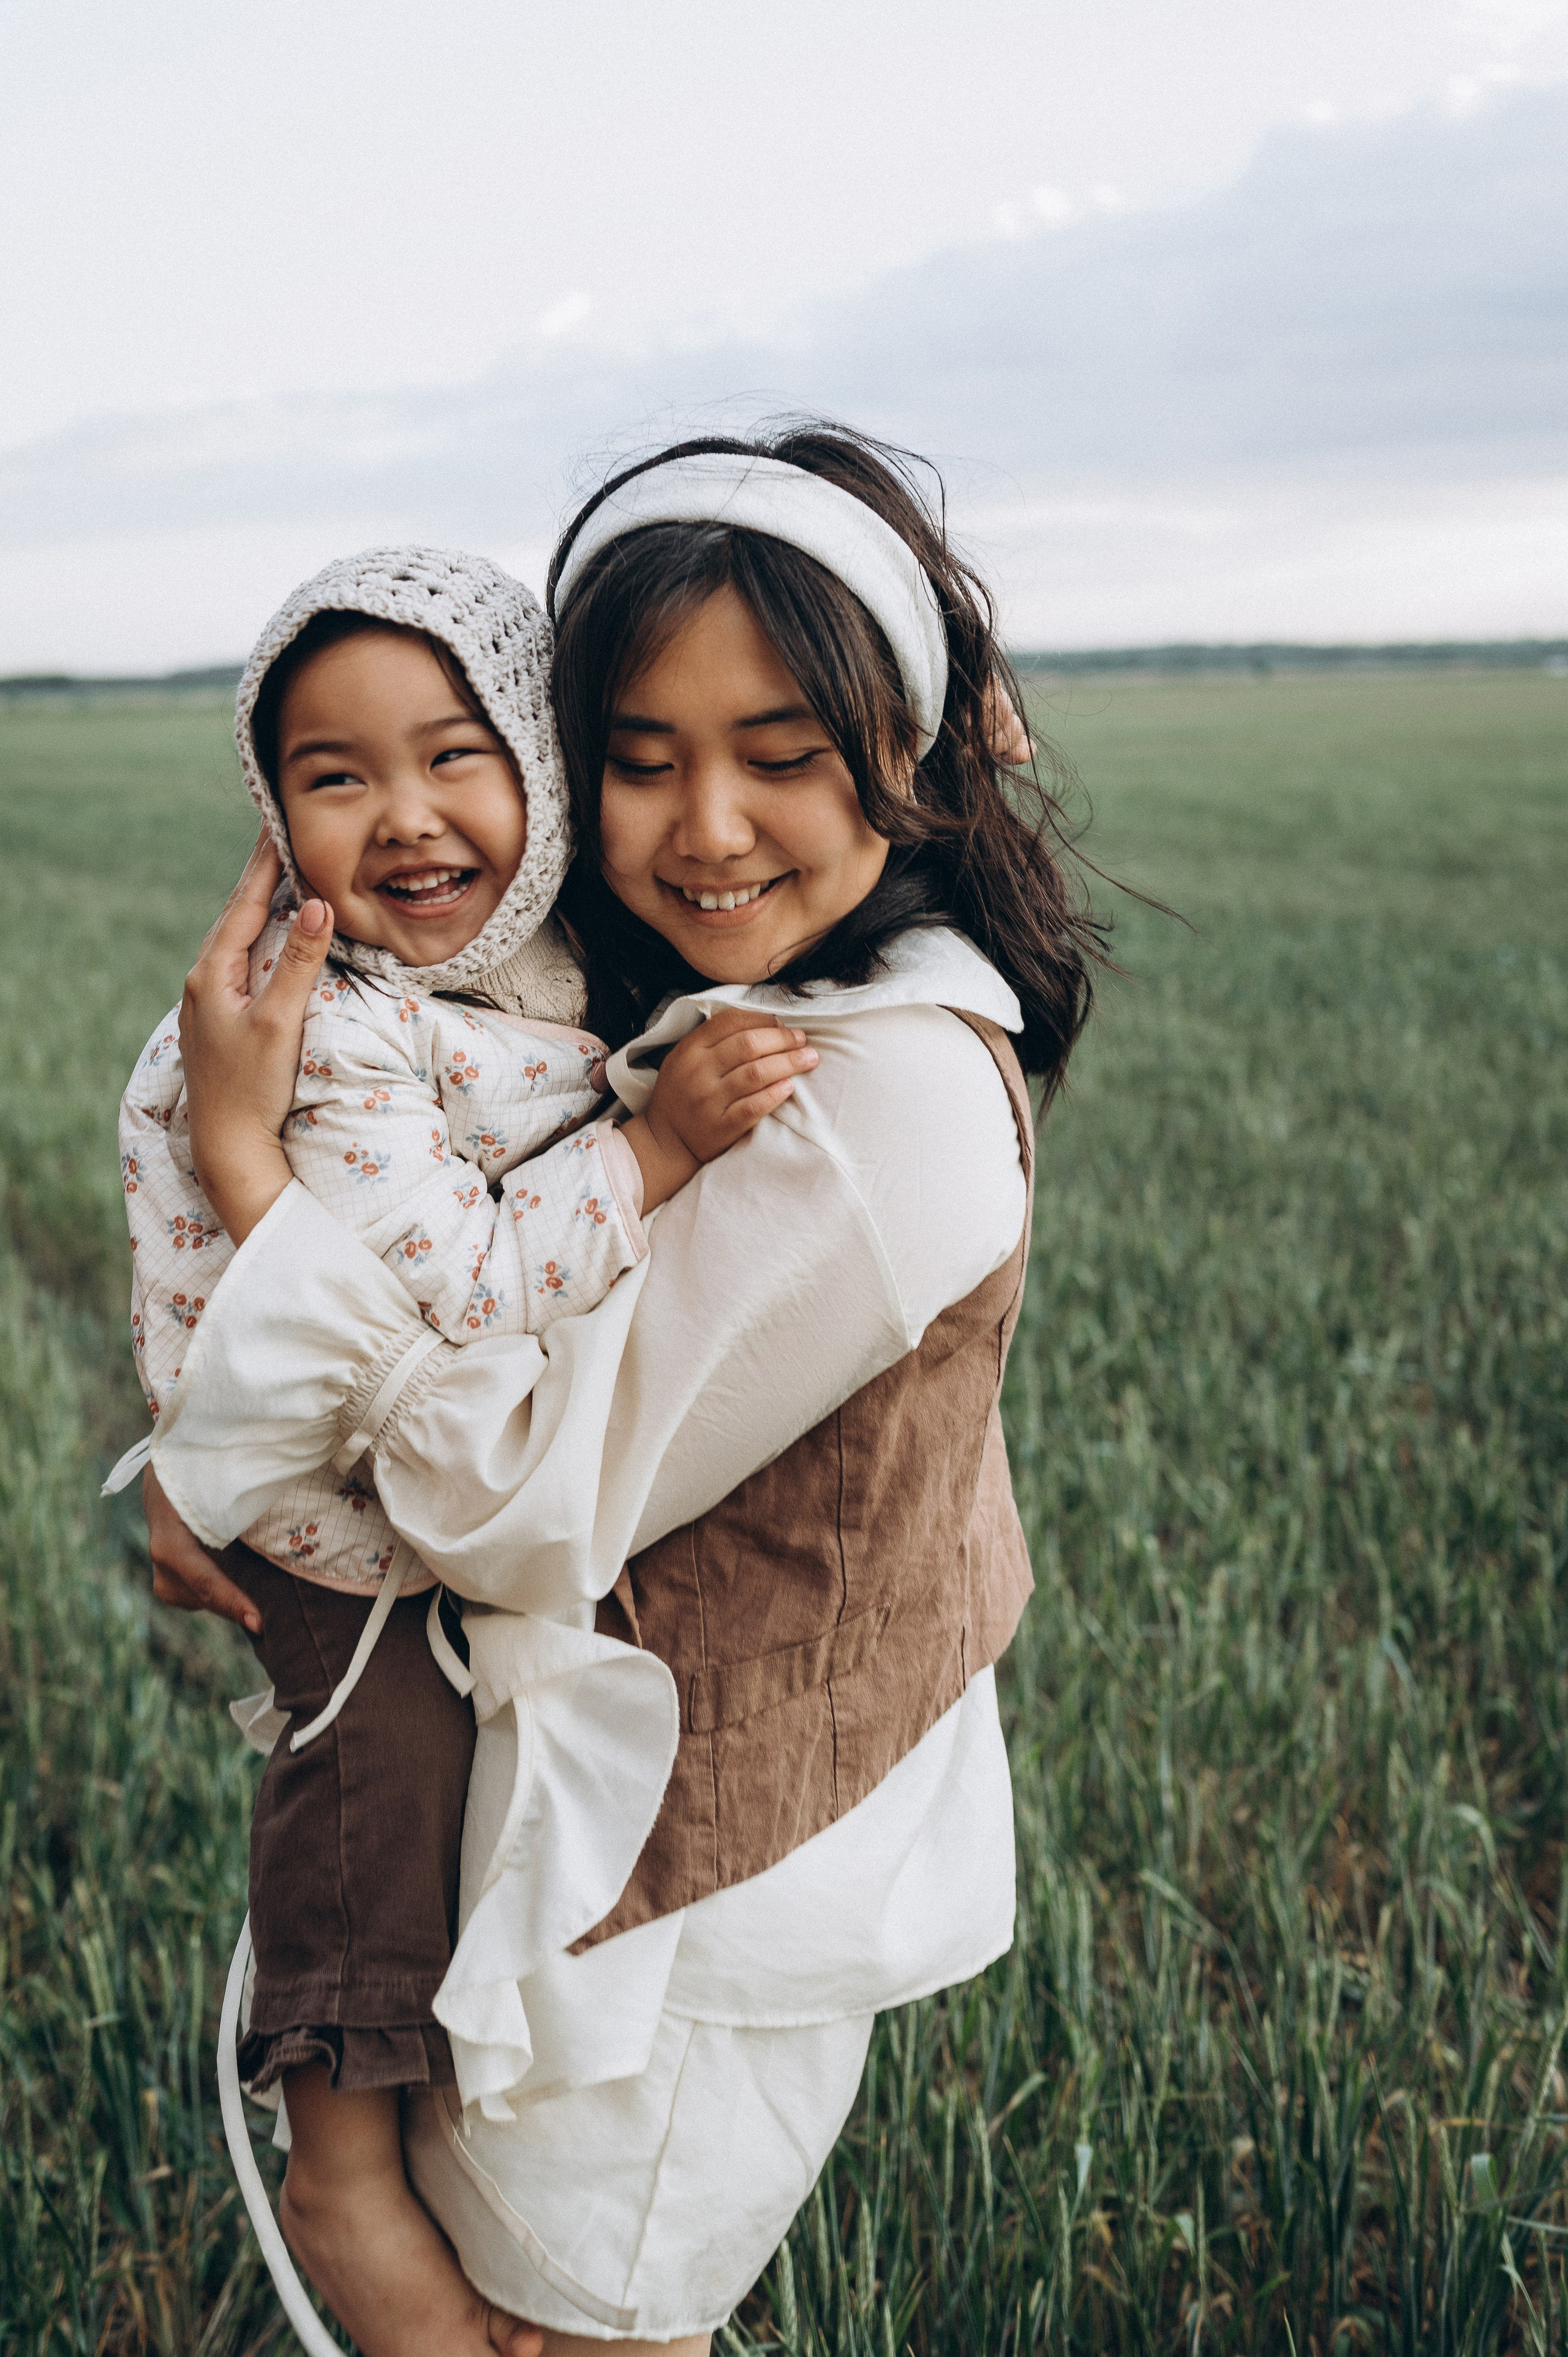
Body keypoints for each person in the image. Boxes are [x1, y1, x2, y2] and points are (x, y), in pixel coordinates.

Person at [144, 424, 1101, 2350]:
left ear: (899, 754)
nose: (709, 829)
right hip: (599, 1851)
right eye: (641, 757)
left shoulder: (877, 1096)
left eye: (784, 754)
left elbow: (511, 1496)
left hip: (694, 1909)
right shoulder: (703, 1008)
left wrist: (252, 1186)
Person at [115, 545, 815, 2357]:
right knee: (381, 1790)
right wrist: (657, 1157)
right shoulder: (320, 1031)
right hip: (328, 1533)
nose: (407, 820)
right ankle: (338, 2145)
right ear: (272, 819)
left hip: (402, 1489)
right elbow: (465, 1289)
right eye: (335, 778)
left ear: (542, 768)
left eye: (457, 755)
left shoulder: (527, 974)